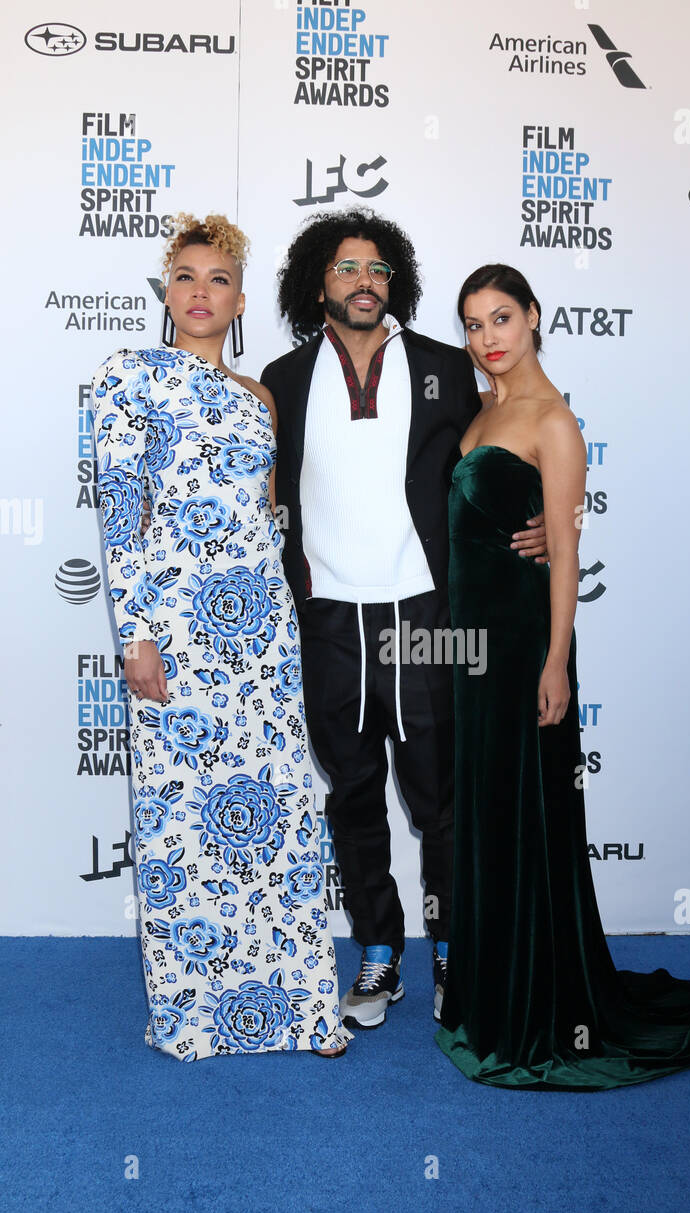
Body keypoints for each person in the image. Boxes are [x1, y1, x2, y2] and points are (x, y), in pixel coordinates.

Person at [435, 264, 690, 1088]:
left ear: (534, 317)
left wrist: (557, 661)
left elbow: (565, 550)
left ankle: (536, 1011)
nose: (487, 338)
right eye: (472, 324)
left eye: (501, 318)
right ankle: (487, 996)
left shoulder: (554, 422)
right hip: (472, 651)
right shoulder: (486, 408)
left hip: (525, 647)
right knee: (488, 814)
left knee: (528, 815)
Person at [261, 210, 547, 1029]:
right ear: (319, 282)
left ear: (397, 284)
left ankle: (454, 951)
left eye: (380, 269)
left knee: (441, 802)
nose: (364, 281)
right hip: (326, 619)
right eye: (348, 268)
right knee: (351, 795)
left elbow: (521, 432)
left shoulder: (448, 367)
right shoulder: (280, 380)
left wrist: (548, 522)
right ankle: (379, 955)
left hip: (428, 615)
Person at [91, 213, 350, 1060]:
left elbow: (267, 517)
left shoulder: (261, 397)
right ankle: (195, 1016)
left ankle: (298, 1008)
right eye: (185, 278)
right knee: (184, 819)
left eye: (218, 281)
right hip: (176, 631)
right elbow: (123, 517)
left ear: (240, 301)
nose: (201, 293)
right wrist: (136, 636)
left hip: (263, 632)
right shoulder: (127, 379)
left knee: (275, 813)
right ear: (166, 294)